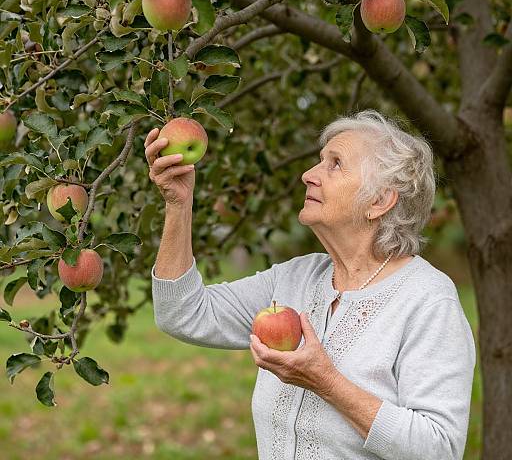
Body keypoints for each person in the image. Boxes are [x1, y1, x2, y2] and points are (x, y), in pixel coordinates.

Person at [145, 109, 476, 460]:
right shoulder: (296, 279)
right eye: (320, 161)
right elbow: (180, 313)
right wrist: (178, 206)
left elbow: (439, 448)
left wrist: (327, 382)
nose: (308, 175)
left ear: (379, 201)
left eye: (334, 164)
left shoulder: (427, 300)